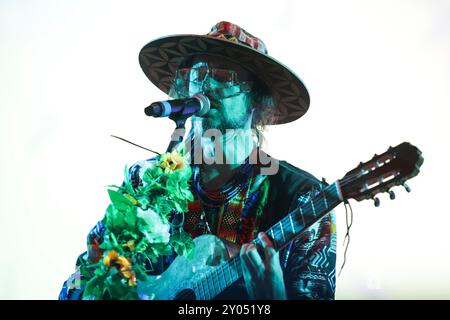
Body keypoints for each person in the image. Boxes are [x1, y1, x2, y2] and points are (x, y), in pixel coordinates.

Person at [59, 21, 336, 300]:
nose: (206, 85)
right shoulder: (144, 180)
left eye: (223, 76)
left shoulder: (303, 199)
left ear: (258, 100)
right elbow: (79, 277)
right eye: (197, 74)